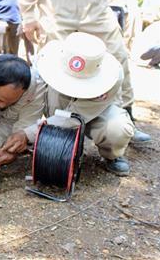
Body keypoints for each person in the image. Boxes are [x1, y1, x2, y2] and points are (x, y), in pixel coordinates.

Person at [18, 0, 151, 142]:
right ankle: (58, 132)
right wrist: (28, 14)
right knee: (56, 63)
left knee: (118, 55)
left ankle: (124, 117)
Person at [23, 32, 135, 176]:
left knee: (117, 128)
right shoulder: (45, 59)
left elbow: (76, 115)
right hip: (57, 108)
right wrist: (25, 131)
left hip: (95, 111)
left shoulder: (113, 76)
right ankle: (54, 141)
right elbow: (33, 99)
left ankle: (112, 155)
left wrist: (27, 134)